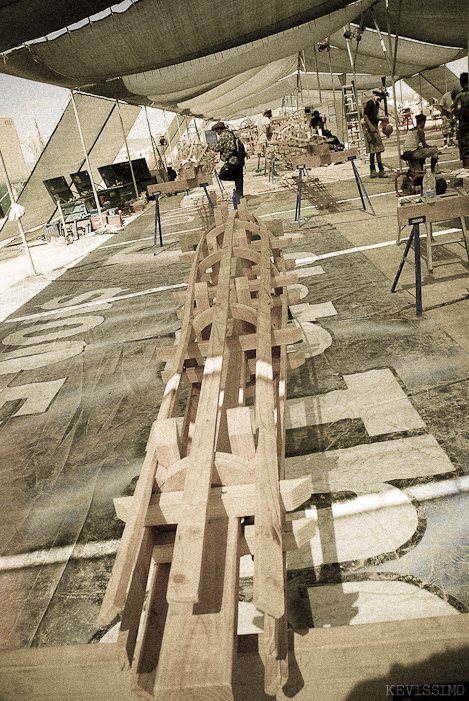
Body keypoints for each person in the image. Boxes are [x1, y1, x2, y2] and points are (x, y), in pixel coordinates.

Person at [211, 121, 244, 198]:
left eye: (216, 131)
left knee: (222, 175)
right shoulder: (231, 133)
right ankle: (240, 195)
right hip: (239, 158)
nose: (217, 133)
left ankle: (239, 194)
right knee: (239, 178)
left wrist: (211, 147)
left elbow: (217, 148)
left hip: (232, 160)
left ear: (219, 129)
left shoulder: (224, 135)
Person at [363, 88, 387, 178]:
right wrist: (370, 126)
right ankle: (373, 170)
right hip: (370, 129)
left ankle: (381, 169)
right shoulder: (370, 103)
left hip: (375, 128)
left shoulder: (376, 104)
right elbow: (365, 116)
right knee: (372, 151)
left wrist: (381, 119)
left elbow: (373, 116)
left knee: (378, 150)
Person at [452, 73, 469, 169]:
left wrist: (454, 111)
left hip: (464, 128)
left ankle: (467, 176)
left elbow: (458, 108)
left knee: (466, 152)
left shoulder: (460, 95)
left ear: (461, 83)